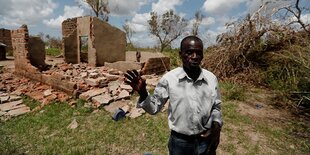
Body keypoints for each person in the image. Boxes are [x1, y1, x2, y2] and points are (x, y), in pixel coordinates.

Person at [125, 36, 222, 155]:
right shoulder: (169, 79)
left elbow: (216, 107)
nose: (195, 57)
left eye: (198, 53)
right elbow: (154, 108)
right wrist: (143, 93)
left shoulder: (211, 79)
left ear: (202, 55)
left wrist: (216, 125)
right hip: (180, 143)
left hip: (206, 140)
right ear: (181, 54)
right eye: (189, 52)